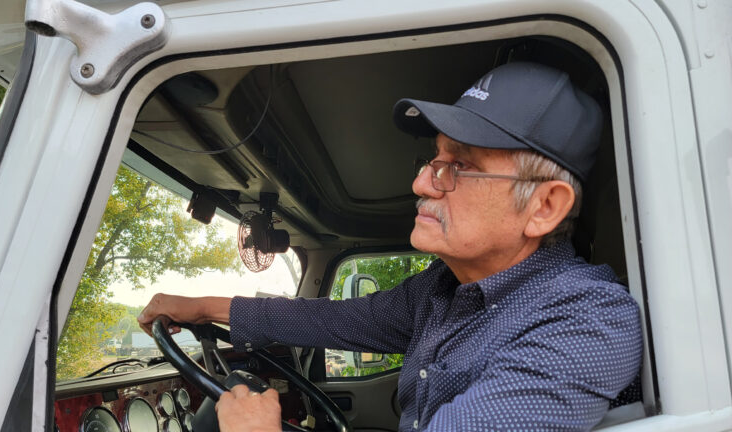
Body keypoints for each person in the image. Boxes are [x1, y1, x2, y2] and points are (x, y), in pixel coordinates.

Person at [138, 61, 643, 431]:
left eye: (460, 166)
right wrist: (205, 306)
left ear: (545, 207)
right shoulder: (443, 290)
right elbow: (335, 319)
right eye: (434, 159)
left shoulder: (587, 321)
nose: (423, 182)